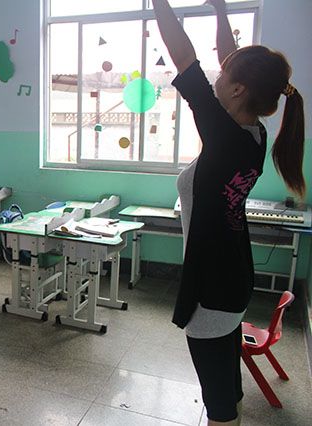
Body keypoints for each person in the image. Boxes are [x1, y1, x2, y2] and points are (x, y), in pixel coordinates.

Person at [151, 0, 306, 424]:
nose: (217, 76)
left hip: (213, 290)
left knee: (219, 401)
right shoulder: (251, 133)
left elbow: (184, 58)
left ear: (238, 91)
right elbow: (231, 63)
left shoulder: (226, 138)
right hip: (231, 277)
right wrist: (220, 10)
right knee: (226, 385)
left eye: (225, 76)